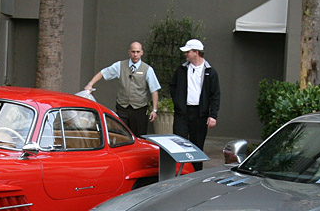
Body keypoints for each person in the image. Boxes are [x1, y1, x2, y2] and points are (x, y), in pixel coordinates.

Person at [83, 41, 160, 136]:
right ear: (129, 52)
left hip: (139, 108)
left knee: (139, 136)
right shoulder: (120, 65)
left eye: (137, 52)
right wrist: (90, 84)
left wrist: (155, 110)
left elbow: (154, 90)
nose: (135, 54)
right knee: (122, 134)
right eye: (133, 52)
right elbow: (103, 73)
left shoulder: (148, 69)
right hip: (123, 107)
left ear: (141, 53)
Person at [168, 38, 220, 171]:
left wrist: (213, 115)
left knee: (197, 147)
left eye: (188, 51)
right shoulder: (181, 69)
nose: (185, 54)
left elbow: (215, 95)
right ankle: (179, 173)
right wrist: (178, 102)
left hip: (200, 114)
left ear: (196, 52)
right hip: (182, 113)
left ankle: (196, 175)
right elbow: (173, 87)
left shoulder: (210, 72)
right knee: (179, 144)